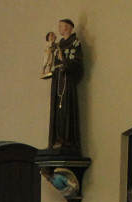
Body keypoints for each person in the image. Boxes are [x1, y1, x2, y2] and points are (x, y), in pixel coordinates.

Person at [48, 19, 83, 154]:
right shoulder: (59, 44)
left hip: (67, 80)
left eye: (61, 26)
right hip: (58, 78)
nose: (59, 29)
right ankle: (55, 140)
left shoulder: (75, 43)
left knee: (65, 110)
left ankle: (65, 141)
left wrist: (63, 59)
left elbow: (76, 63)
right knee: (56, 110)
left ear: (68, 27)